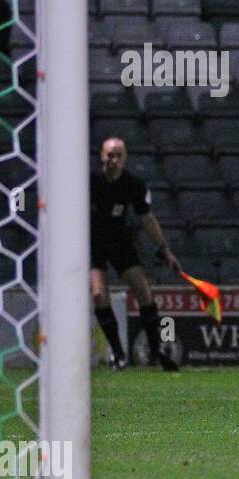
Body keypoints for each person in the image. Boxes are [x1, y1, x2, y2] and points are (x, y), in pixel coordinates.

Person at [89, 138, 181, 372]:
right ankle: (118, 355)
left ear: (125, 157)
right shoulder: (89, 182)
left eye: (119, 155)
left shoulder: (133, 184)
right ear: (102, 156)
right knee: (99, 294)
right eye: (110, 155)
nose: (115, 160)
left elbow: (147, 218)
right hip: (92, 243)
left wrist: (164, 249)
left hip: (120, 241)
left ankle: (156, 352)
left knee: (143, 291)